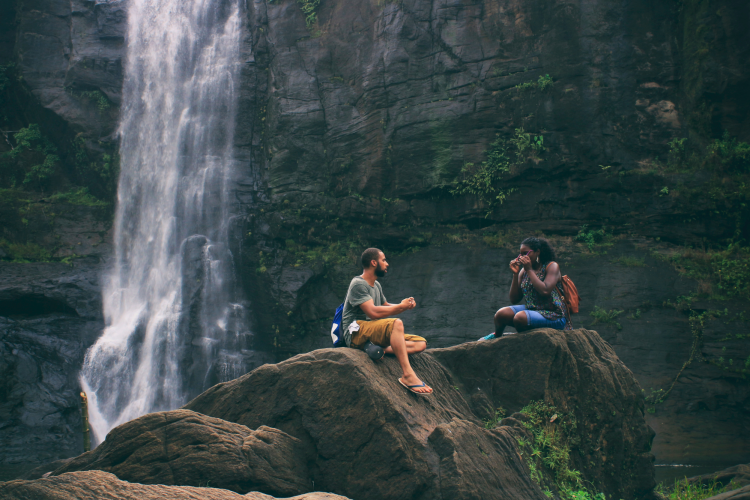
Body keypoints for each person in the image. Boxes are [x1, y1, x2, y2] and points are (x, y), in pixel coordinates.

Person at [342, 248, 432, 395]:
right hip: (355, 331)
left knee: (420, 343)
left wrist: (404, 305)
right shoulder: (358, 284)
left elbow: (384, 306)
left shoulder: (376, 285)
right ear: (373, 262)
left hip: (371, 330)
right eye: (383, 260)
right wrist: (400, 308)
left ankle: (376, 348)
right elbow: (373, 312)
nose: (387, 264)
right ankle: (408, 375)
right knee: (396, 323)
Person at [479, 237, 572, 341]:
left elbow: (545, 291)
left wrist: (529, 270)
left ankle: (522, 337)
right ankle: (497, 336)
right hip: (533, 309)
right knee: (501, 314)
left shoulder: (551, 266)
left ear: (537, 252)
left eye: (526, 253)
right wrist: (515, 274)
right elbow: (514, 299)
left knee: (520, 318)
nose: (522, 257)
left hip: (554, 315)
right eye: (521, 254)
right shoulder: (523, 271)